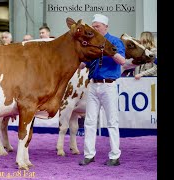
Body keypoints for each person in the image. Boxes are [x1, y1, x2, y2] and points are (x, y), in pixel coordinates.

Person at [78, 14, 126, 166]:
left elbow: (122, 60)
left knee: (112, 121)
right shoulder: (91, 43)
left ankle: (114, 156)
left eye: (97, 26)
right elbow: (82, 65)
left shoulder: (115, 41)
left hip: (109, 84)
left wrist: (107, 50)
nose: (94, 28)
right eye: (93, 26)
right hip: (93, 84)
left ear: (106, 27)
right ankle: (89, 154)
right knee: (90, 121)